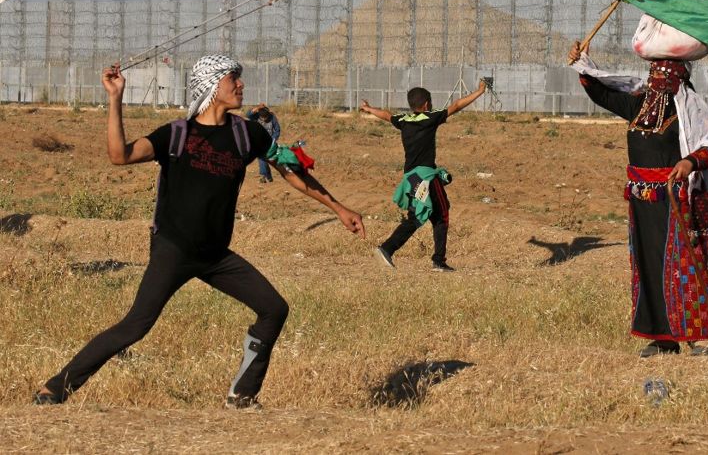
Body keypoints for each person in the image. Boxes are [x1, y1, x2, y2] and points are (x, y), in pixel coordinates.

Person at [34, 54, 365, 409]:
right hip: (173, 250)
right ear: (211, 85)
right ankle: (56, 388)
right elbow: (120, 155)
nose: (241, 85)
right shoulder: (177, 134)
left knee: (274, 309)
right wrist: (115, 99)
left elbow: (290, 171)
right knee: (135, 326)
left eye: (239, 78)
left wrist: (339, 208)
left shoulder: (248, 133)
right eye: (233, 79)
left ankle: (241, 395)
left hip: (216, 256)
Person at [568, 38, 708, 358]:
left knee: (685, 265)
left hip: (674, 200)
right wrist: (582, 63)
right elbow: (601, 92)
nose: (658, 80)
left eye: (665, 74)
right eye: (654, 73)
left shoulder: (690, 108)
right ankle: (663, 339)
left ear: (679, 77)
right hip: (641, 199)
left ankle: (702, 337)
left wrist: (690, 162)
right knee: (648, 265)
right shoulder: (638, 104)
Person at [360, 81, 486, 272]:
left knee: (420, 217)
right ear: (426, 104)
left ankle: (387, 249)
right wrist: (479, 92)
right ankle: (438, 261)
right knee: (442, 214)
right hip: (427, 178)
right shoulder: (431, 117)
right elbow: (457, 105)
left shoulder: (403, 120)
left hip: (411, 179)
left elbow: (386, 115)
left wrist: (369, 108)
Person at [245, 103, 281, 183]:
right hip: (258, 141)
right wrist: (257, 107)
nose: (264, 120)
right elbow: (248, 115)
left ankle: (266, 176)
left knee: (264, 158)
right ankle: (265, 176)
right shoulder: (255, 116)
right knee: (262, 158)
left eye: (266, 118)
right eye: (262, 118)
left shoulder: (272, 117)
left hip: (269, 142)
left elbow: (277, 130)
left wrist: (273, 139)